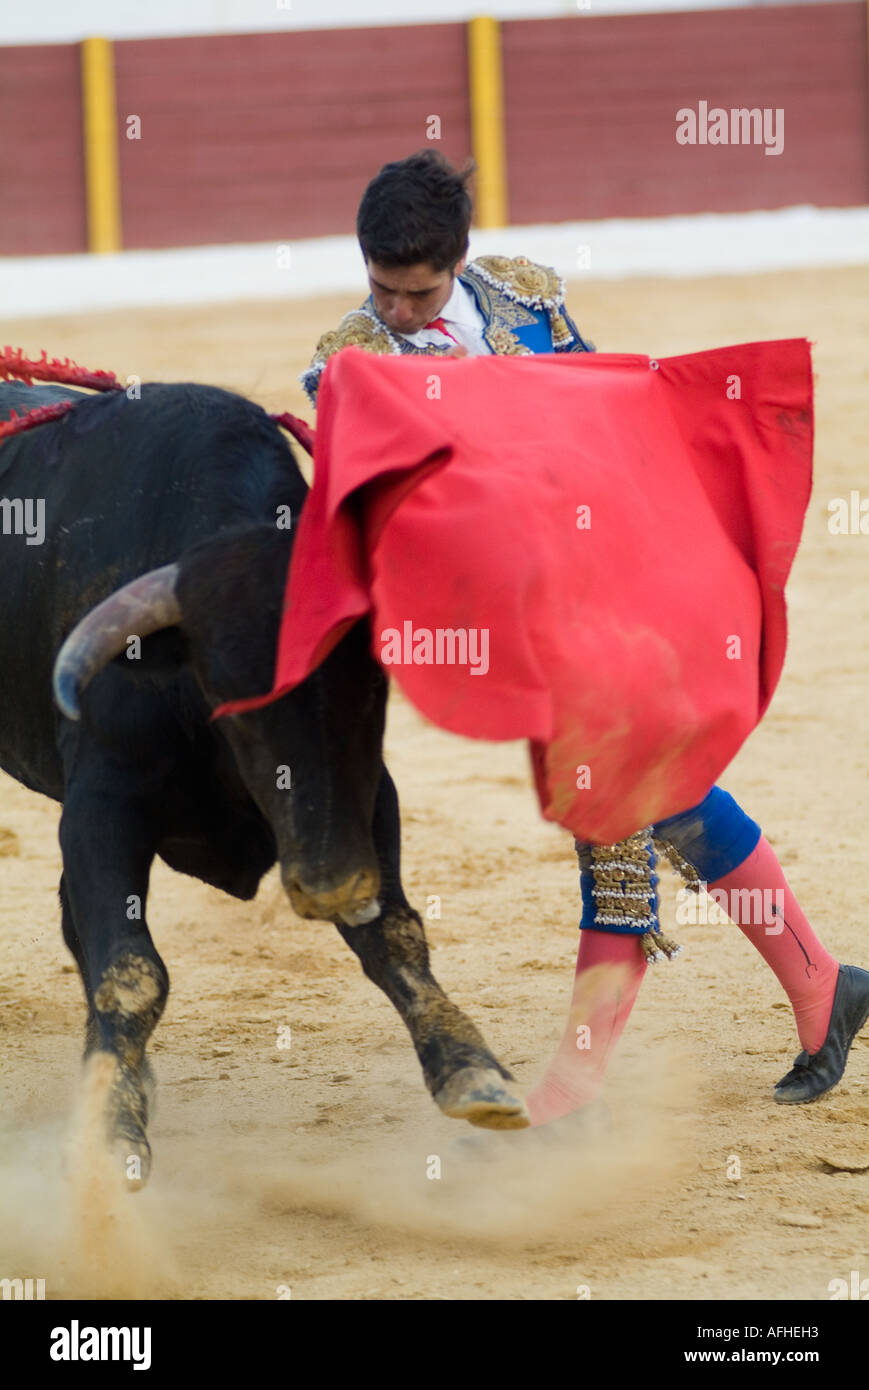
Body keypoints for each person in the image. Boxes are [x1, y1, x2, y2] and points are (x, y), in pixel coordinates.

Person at [302, 149, 869, 1124]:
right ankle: (817, 988)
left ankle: (584, 1087)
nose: (396, 310)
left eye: (417, 291)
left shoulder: (526, 294)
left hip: (607, 572)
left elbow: (606, 414)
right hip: (511, 615)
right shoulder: (345, 361)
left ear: (458, 263)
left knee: (629, 799)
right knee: (646, 793)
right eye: (381, 288)